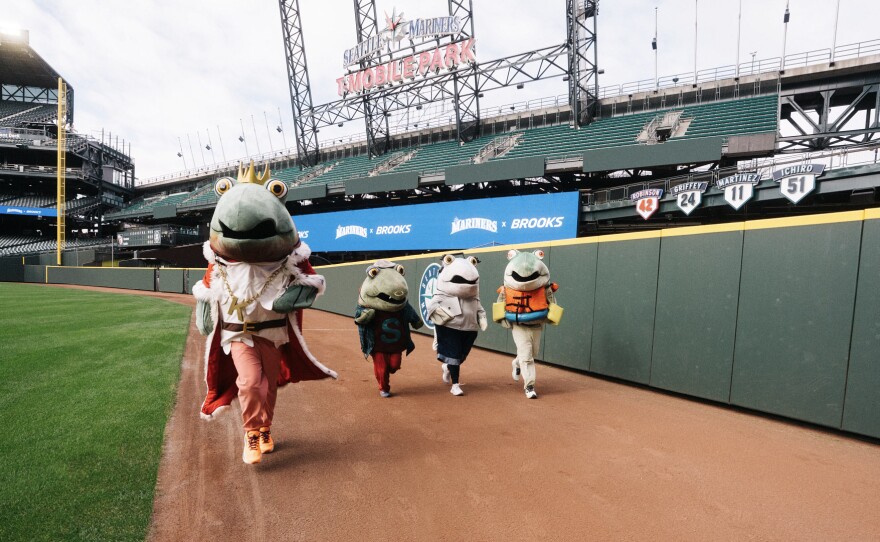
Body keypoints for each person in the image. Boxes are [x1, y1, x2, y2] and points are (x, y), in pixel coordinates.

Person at [354, 260, 423, 397]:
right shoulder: (368, 306)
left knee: (394, 365)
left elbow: (410, 313)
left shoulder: (402, 306)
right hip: (377, 344)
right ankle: (383, 387)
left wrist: (416, 321)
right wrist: (365, 316)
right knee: (381, 368)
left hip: (396, 344)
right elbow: (359, 318)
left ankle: (385, 378)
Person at [425, 254, 487, 396]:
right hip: (450, 328)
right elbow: (431, 306)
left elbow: (479, 308)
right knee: (453, 355)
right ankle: (455, 385)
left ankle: (447, 367)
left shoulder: (473, 297)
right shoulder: (442, 294)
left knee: (461, 356)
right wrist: (441, 314)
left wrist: (482, 318)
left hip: (469, 329)